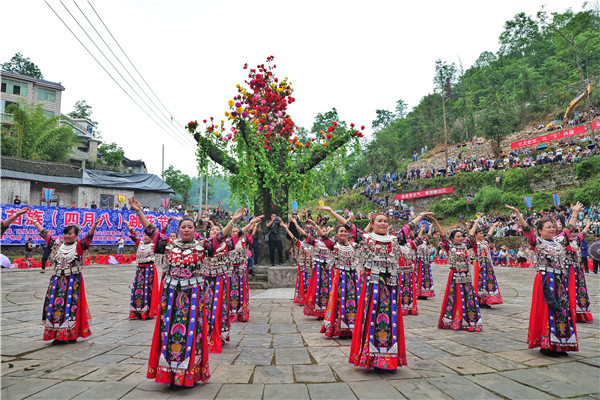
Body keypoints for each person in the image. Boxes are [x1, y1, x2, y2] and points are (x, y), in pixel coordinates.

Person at [130, 196, 244, 387]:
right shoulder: (168, 246)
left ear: (195, 230)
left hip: (192, 298)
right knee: (168, 332)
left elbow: (219, 238)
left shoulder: (202, 247)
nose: (186, 230)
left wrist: (232, 221)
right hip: (170, 298)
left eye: (190, 227)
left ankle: (189, 371)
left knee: (192, 333)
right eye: (183, 227)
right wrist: (139, 212)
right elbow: (151, 231)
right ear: (178, 229)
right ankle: (169, 372)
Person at [347, 210, 433, 372]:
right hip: (372, 285)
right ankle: (372, 358)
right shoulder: (366, 239)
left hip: (390, 285)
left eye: (385, 221)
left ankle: (388, 359)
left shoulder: (395, 240)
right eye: (379, 221)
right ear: (372, 224)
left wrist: (421, 215)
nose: (383, 223)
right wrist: (331, 212)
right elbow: (349, 227)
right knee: (371, 316)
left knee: (390, 317)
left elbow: (408, 227)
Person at [505, 203, 581, 357]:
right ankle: (546, 344)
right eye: (548, 227)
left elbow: (569, 229)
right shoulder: (538, 243)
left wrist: (574, 213)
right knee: (547, 310)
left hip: (560, 280)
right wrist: (519, 215)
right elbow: (527, 231)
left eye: (553, 227)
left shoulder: (560, 241)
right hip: (546, 279)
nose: (552, 229)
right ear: (540, 231)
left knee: (562, 310)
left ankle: (560, 343)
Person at [27, 214, 101, 342]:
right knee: (54, 306)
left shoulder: (79, 246)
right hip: (57, 280)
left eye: (70, 234)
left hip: (73, 281)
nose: (67, 236)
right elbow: (46, 235)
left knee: (70, 307)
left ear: (76, 236)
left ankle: (70, 334)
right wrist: (35, 222)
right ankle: (56, 333)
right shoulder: (58, 245)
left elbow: (89, 238)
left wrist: (94, 226)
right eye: (65, 234)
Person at [429, 217, 482, 332]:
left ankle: (469, 320)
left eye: (461, 236)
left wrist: (476, 223)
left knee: (468, 297)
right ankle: (455, 320)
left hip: (466, 276)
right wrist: (436, 222)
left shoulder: (465, 245)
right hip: (455, 276)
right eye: (458, 236)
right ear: (452, 238)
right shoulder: (450, 246)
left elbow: (471, 235)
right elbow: (442, 235)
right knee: (455, 297)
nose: (461, 238)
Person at [124, 221, 160, 320]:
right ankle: (137, 310)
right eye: (145, 235)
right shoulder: (140, 244)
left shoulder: (154, 245)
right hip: (140, 270)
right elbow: (134, 235)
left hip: (150, 270)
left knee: (148, 290)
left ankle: (147, 311)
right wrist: (129, 226)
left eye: (148, 235)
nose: (145, 237)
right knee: (138, 289)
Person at [465, 218, 503, 308]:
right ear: (476, 235)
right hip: (480, 264)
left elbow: (489, 234)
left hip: (488, 264)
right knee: (480, 281)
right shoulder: (474, 244)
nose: (482, 235)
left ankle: (488, 299)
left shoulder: (485, 241)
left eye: (482, 233)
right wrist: (474, 224)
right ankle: (480, 300)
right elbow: (470, 236)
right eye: (480, 233)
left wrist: (494, 226)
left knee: (489, 280)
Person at [283, 216, 315, 305]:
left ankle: (310, 298)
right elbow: (292, 237)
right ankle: (302, 298)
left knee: (311, 282)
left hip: (312, 266)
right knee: (303, 282)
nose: (307, 236)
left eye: (309, 234)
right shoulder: (300, 243)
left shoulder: (315, 244)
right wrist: (286, 228)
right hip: (303, 266)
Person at [415, 224, 435, 299]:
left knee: (426, 277)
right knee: (420, 277)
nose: (422, 236)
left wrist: (430, 228)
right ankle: (419, 292)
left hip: (426, 263)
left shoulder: (425, 242)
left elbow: (429, 236)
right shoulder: (416, 243)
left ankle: (426, 292)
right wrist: (421, 230)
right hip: (419, 262)